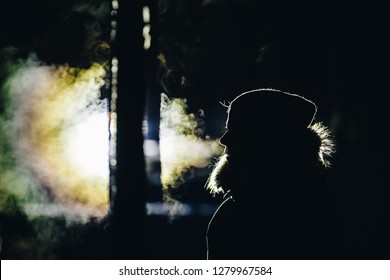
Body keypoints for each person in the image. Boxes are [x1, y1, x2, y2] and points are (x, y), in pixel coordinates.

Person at [205, 88, 341, 260]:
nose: (224, 139)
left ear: (266, 140)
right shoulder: (230, 211)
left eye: (238, 129)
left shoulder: (304, 220)